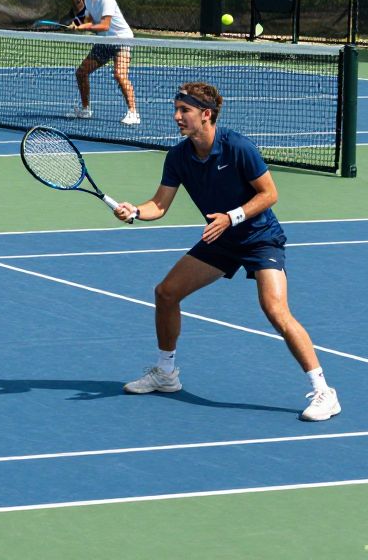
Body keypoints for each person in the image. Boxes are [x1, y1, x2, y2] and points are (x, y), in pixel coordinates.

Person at [112, 83, 341, 422]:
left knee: (275, 309)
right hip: (220, 239)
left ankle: (324, 391)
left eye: (183, 111)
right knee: (166, 293)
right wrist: (134, 211)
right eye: (175, 109)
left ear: (206, 114)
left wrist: (232, 217)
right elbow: (159, 205)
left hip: (259, 237)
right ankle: (166, 373)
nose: (176, 117)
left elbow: (269, 194)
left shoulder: (237, 147)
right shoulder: (178, 156)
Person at [68, 0, 140, 126]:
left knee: (119, 75)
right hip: (104, 42)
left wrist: (85, 27)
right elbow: (87, 18)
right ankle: (86, 109)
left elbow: (105, 25)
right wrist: (77, 24)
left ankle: (133, 113)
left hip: (122, 40)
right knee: (81, 72)